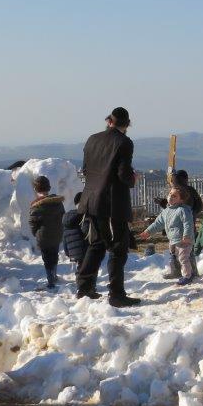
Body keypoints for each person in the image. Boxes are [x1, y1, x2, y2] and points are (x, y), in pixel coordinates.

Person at [76, 108, 140, 306]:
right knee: (118, 248)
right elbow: (123, 175)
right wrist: (133, 179)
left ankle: (85, 288)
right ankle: (116, 294)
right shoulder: (124, 142)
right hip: (112, 203)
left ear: (108, 121)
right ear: (127, 124)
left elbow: (86, 169)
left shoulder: (92, 139)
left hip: (90, 200)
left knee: (96, 244)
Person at [139, 186, 196, 284]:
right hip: (173, 239)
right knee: (173, 256)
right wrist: (148, 232)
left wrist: (186, 235)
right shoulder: (166, 211)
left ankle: (188, 276)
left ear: (181, 200)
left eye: (174, 196)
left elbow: (188, 223)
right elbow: (157, 224)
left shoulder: (183, 210)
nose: (170, 197)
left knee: (183, 258)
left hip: (184, 240)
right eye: (170, 194)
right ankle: (176, 272)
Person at [28, 175, 65, 289]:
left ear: (35, 189)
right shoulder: (58, 202)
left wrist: (36, 233)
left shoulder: (36, 206)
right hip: (57, 234)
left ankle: (50, 282)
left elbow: (32, 223)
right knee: (54, 255)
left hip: (44, 237)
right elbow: (62, 217)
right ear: (49, 187)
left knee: (47, 259)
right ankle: (54, 276)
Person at [63, 192, 88, 284]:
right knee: (86, 268)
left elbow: (64, 237)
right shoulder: (84, 216)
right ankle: (84, 286)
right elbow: (86, 232)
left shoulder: (67, 217)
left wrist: (67, 252)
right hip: (83, 248)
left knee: (80, 267)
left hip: (73, 250)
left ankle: (80, 282)